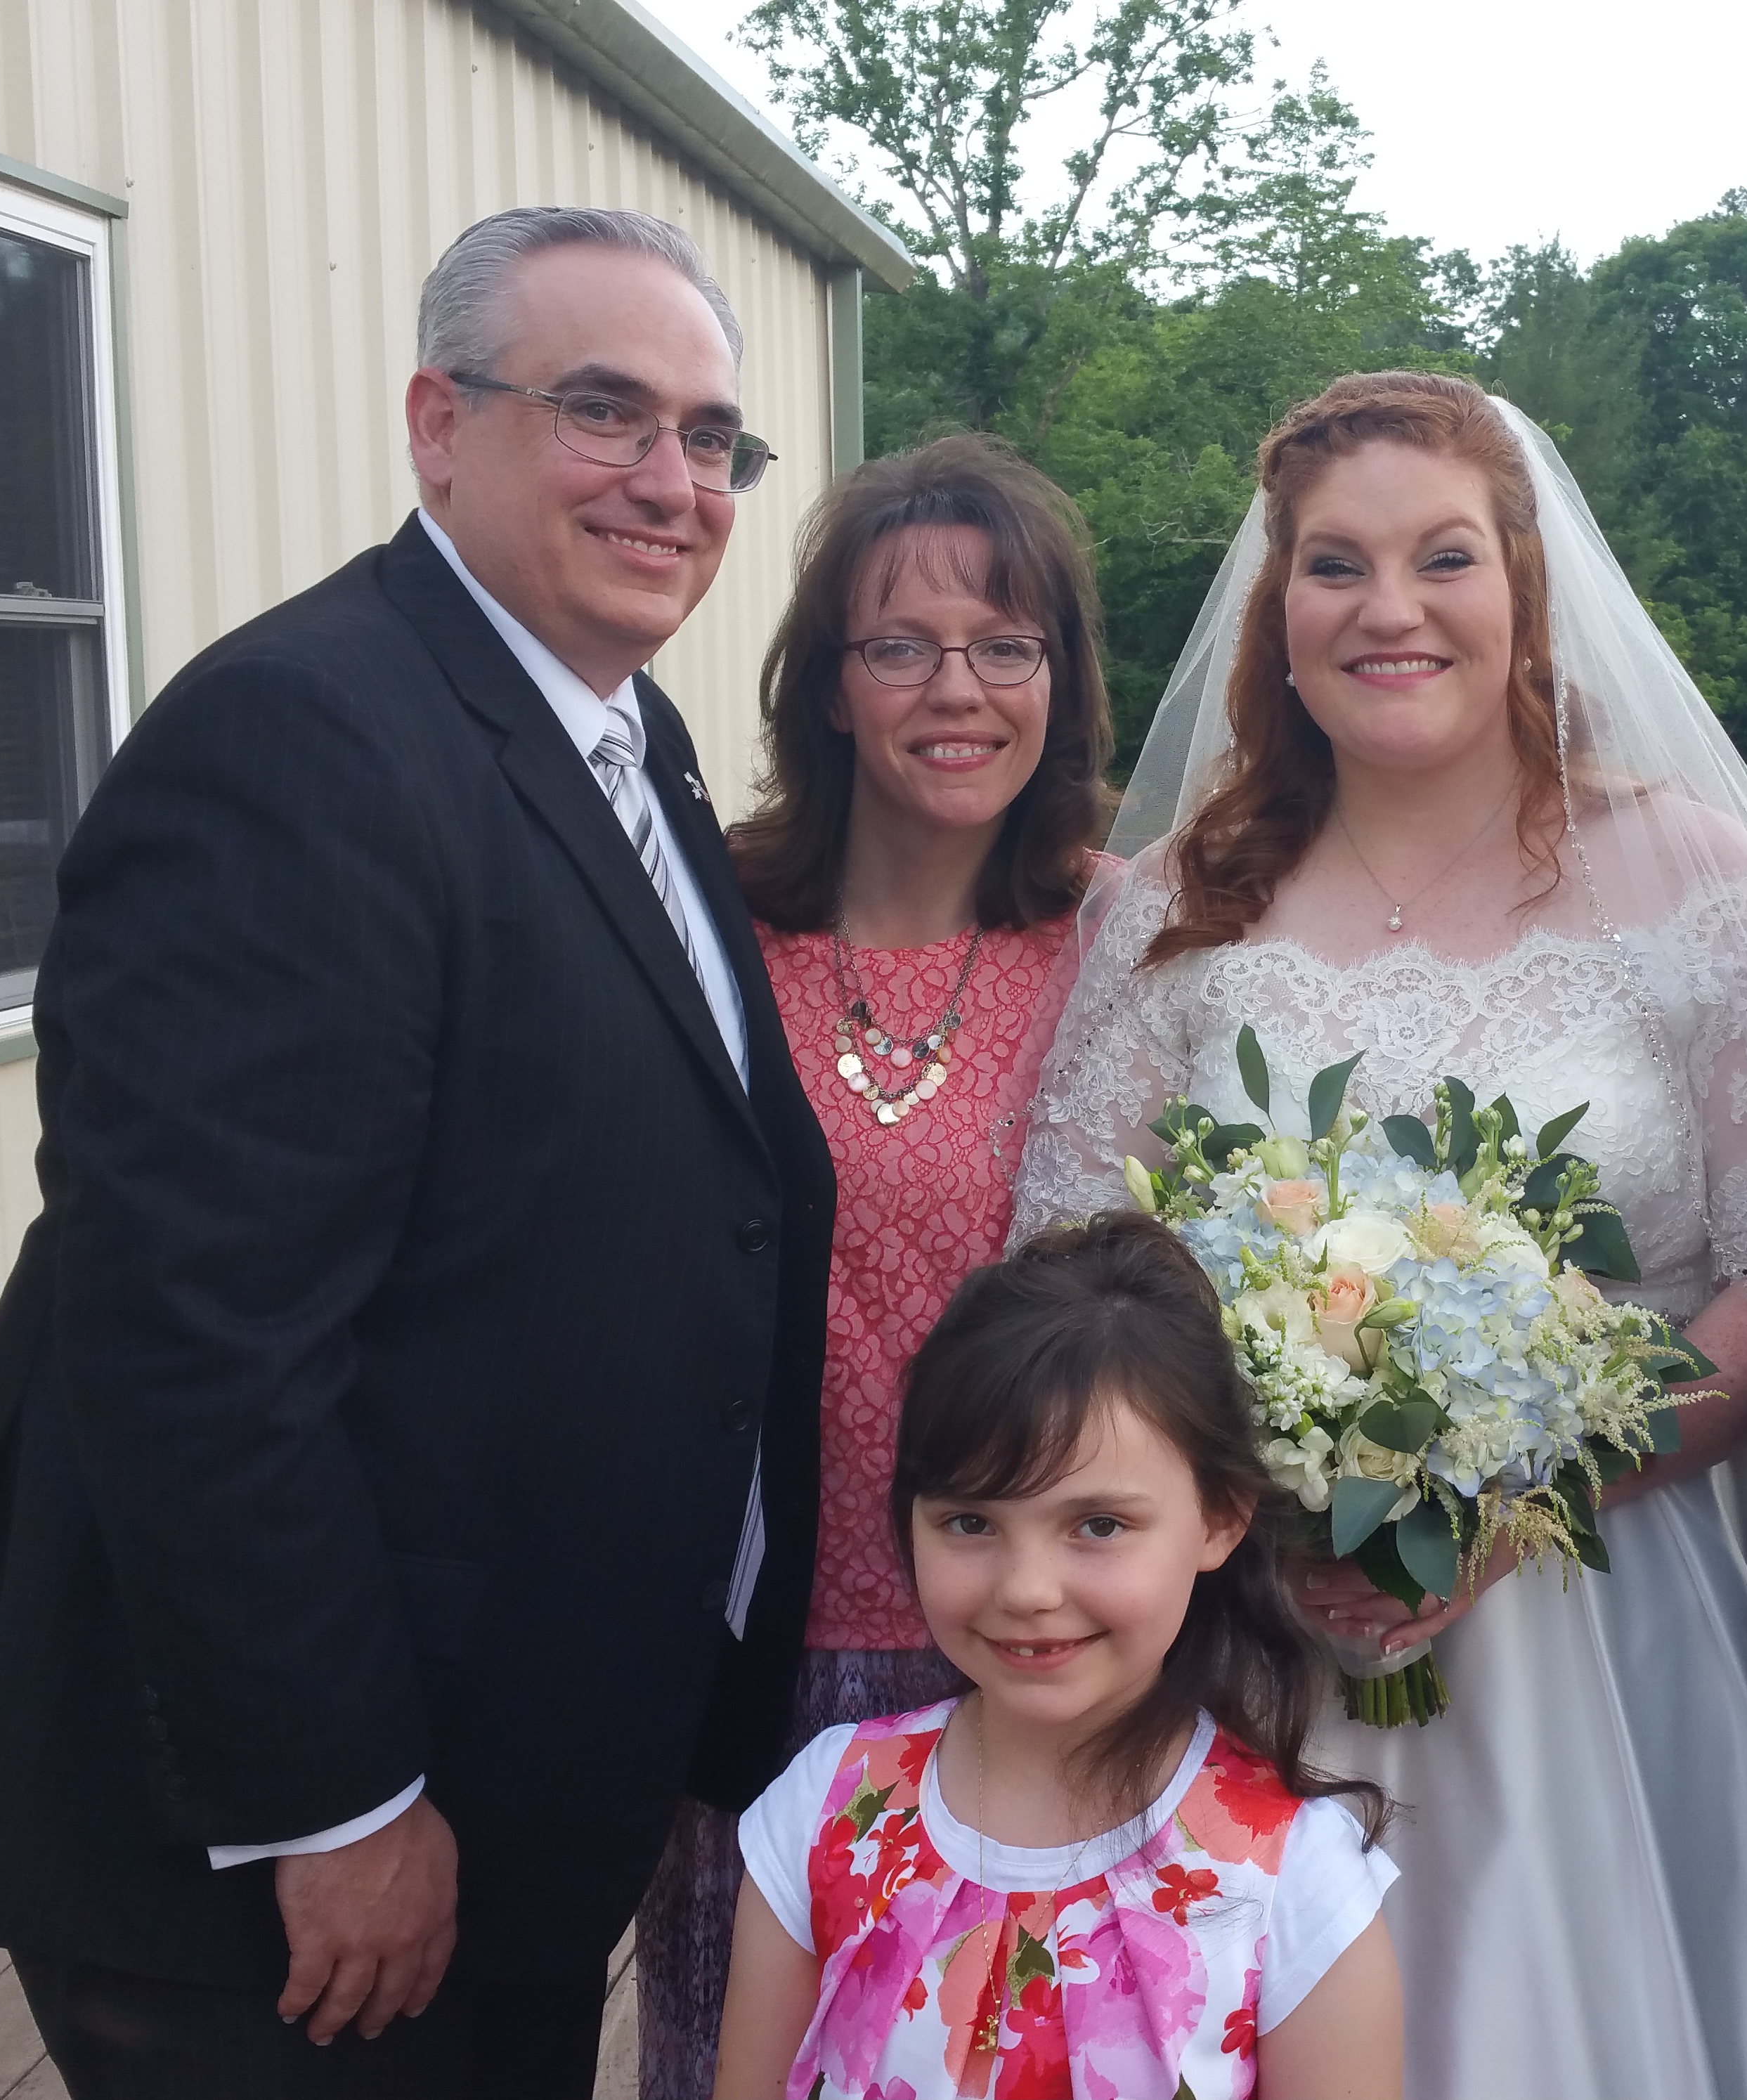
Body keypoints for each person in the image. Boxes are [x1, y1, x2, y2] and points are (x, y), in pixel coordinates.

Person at [0, 206, 837, 2096]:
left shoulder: (624, 735)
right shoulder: (302, 738)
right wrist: (331, 1799)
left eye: (708, 438)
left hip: (500, 1793)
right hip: (277, 1869)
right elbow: (195, 1331)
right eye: (604, 411)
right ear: (438, 425)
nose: (671, 483)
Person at [1010, 370, 1747, 2099]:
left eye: (1442, 557)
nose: (1386, 608)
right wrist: (1256, 1484)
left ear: (1524, 587)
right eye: (1335, 565)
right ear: (1280, 609)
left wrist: (1518, 1499)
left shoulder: (1689, 879)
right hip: (1251, 1625)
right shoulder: (1179, 903)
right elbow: (1064, 1266)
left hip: (1609, 1625)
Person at [637, 434, 1119, 2098]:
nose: (955, 690)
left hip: (1029, 1641)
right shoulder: (702, 924)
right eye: (899, 644)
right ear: (829, 688)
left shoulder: (1126, 939)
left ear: (1060, 679)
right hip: (746, 1644)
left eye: (1005, 644)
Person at [710, 1212, 1405, 2099]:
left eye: (1098, 1525)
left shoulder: (1294, 1884)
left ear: (1219, 1518)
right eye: (970, 1522)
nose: (1027, 1590)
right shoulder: (825, 1810)